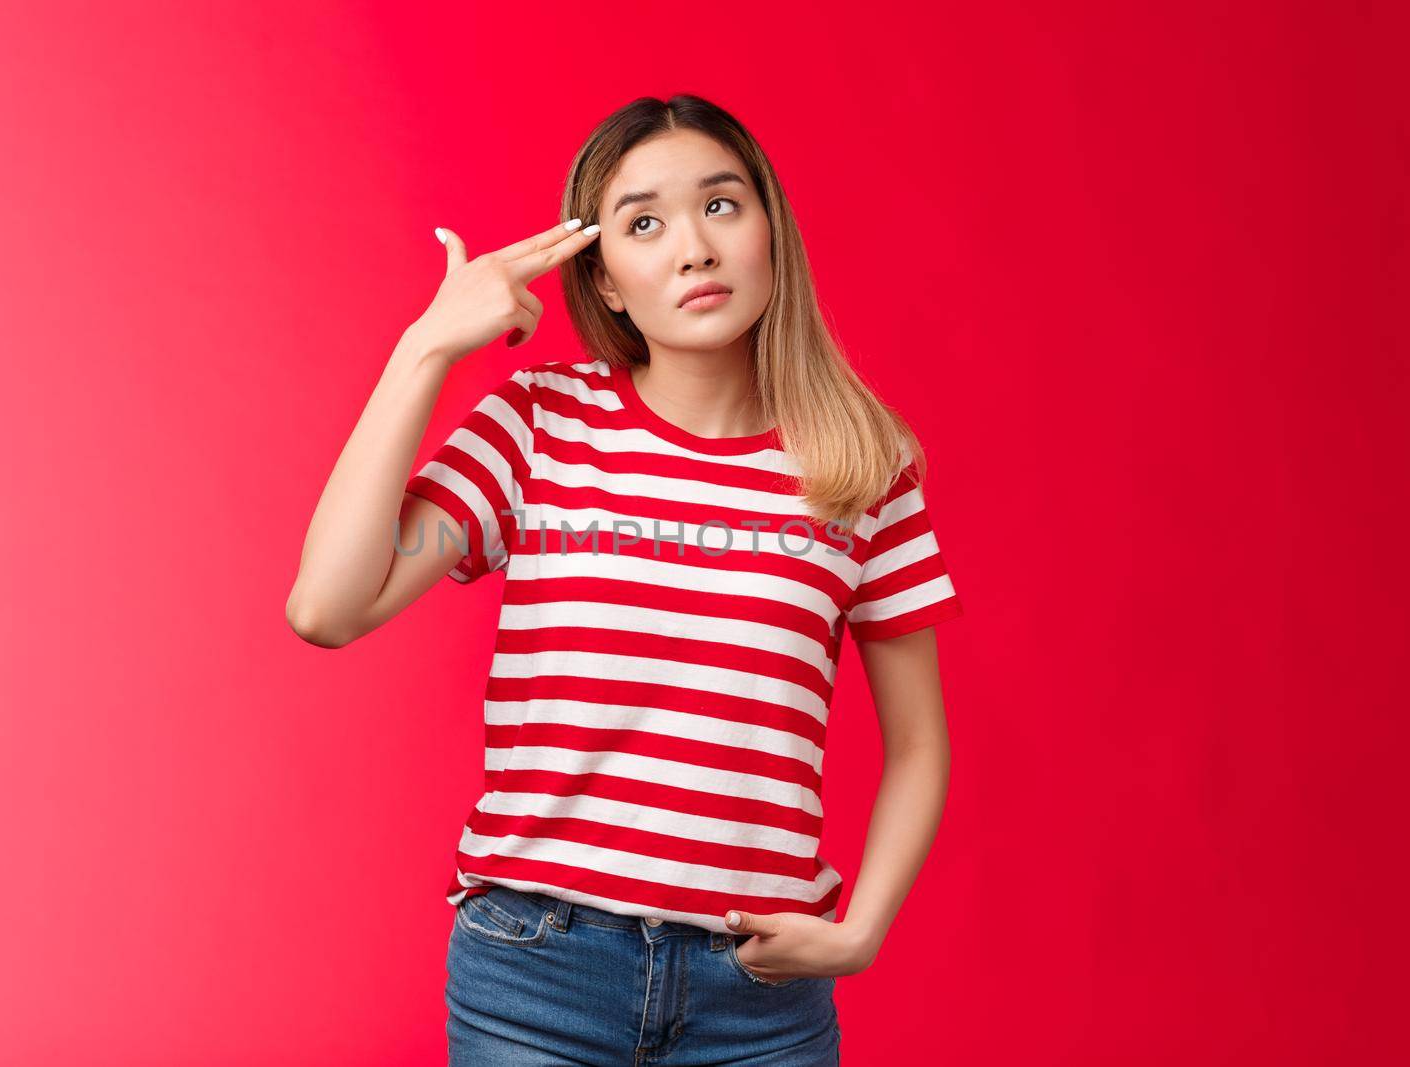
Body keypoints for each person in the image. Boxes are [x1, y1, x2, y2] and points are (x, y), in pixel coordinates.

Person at [287, 94, 964, 1066]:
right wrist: (424, 348)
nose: (693, 247)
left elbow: (918, 742)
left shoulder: (858, 463)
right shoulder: (541, 426)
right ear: (603, 280)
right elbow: (327, 605)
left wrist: (861, 929)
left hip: (758, 1003)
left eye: (721, 205)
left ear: (769, 226)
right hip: (536, 979)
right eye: (644, 222)